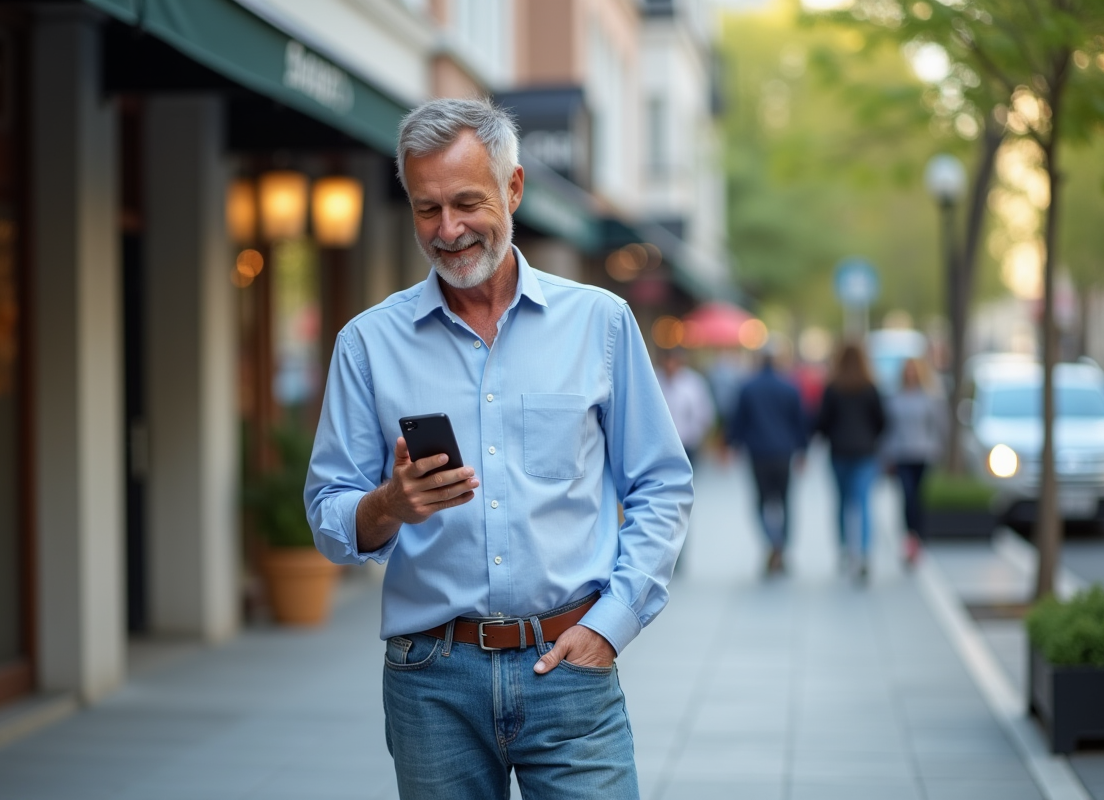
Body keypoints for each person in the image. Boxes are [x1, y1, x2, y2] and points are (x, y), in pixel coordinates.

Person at [303, 98, 694, 800]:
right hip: (432, 682)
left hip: (570, 666)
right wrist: (389, 505)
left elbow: (662, 485)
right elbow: (329, 516)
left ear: (513, 189)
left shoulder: (599, 323)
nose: (448, 230)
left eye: (466, 202)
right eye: (427, 209)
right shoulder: (367, 343)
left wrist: (613, 623)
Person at [725, 347, 808, 576]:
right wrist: (803, 450)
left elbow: (738, 421)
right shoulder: (789, 387)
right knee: (785, 502)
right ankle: (781, 545)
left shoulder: (748, 387)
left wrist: (731, 446)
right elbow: (800, 422)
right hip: (783, 453)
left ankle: (772, 542)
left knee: (761, 502)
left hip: (758, 453)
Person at [814, 341, 886, 582]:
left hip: (840, 452)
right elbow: (882, 421)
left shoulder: (833, 388)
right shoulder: (871, 387)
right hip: (865, 452)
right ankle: (863, 553)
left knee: (842, 503)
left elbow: (822, 422)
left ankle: (845, 550)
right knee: (863, 502)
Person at [883, 357, 947, 566]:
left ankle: (918, 537)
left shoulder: (929, 397)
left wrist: (939, 450)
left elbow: (939, 425)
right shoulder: (894, 397)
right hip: (901, 453)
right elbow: (887, 428)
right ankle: (909, 537)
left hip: (923, 453)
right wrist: (886, 453)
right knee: (907, 495)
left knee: (919, 497)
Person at [656, 347, 715, 463]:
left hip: (687, 443)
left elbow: (704, 412)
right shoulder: (655, 379)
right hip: (661, 444)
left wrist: (697, 434)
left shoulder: (693, 382)